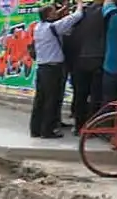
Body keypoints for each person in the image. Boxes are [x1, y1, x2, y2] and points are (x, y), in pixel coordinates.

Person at [28, 0, 84, 138]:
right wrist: (79, 5)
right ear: (49, 16)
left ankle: (35, 129)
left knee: (40, 99)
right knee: (51, 100)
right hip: (53, 70)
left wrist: (62, 10)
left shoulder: (38, 27)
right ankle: (48, 130)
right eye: (53, 12)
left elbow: (53, 18)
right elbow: (76, 16)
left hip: (42, 68)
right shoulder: (53, 27)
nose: (56, 13)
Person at [67, 0, 106, 131]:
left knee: (80, 94)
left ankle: (78, 125)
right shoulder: (105, 12)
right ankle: (92, 125)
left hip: (79, 60)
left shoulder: (80, 13)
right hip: (97, 58)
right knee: (96, 95)